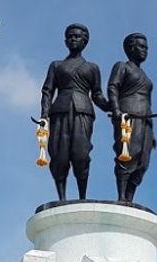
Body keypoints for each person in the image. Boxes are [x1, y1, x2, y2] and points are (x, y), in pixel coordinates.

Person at [40, 24, 108, 201]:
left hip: (83, 112)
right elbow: (47, 91)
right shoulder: (56, 65)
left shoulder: (92, 68)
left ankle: (82, 197)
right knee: (59, 156)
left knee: (81, 154)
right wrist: (44, 115)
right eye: (70, 36)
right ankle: (61, 198)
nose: (73, 39)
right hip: (60, 112)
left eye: (77, 36)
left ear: (85, 41)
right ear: (65, 40)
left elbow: (98, 94)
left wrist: (111, 107)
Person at [108, 33, 155, 203]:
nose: (145, 50)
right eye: (141, 46)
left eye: (146, 48)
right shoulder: (122, 67)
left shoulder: (146, 77)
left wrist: (152, 133)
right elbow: (113, 87)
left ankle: (130, 197)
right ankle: (121, 196)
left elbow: (149, 99)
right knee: (128, 153)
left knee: (143, 161)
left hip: (146, 119)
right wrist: (116, 109)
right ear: (130, 48)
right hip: (128, 115)